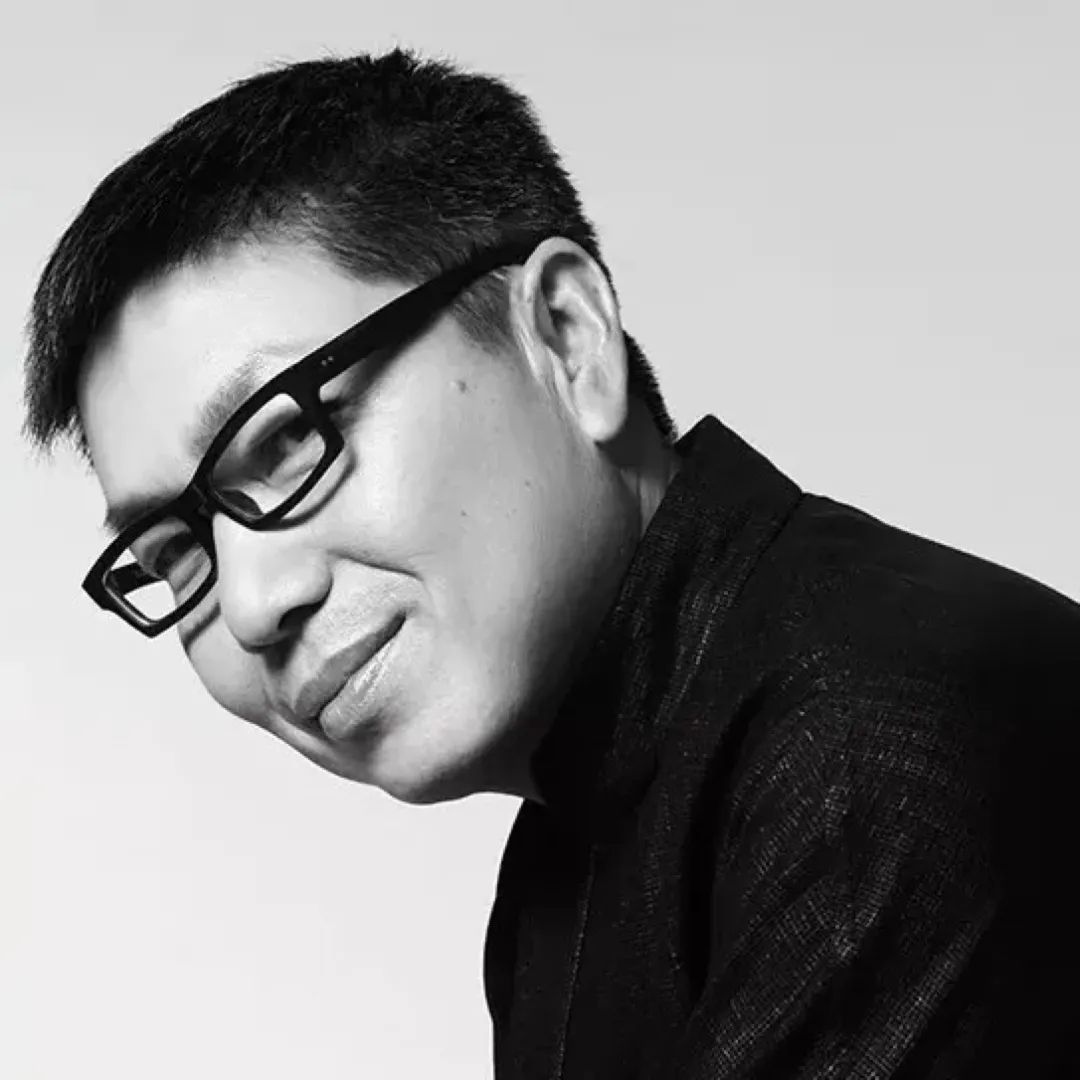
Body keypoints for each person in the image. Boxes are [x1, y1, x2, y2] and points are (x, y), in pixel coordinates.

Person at [22, 48, 1079, 1078]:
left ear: (568, 338)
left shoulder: (861, 749)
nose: (253, 604)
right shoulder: (569, 856)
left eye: (288, 440)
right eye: (174, 550)